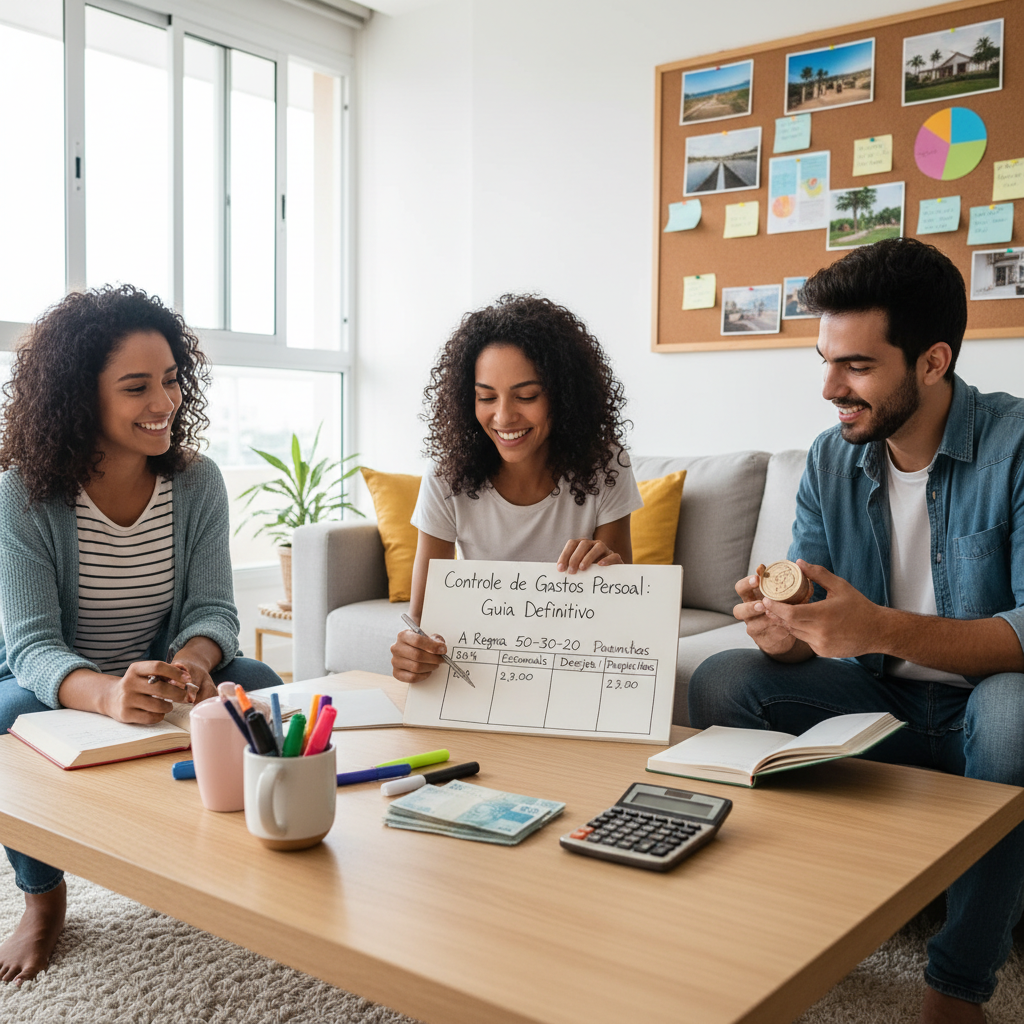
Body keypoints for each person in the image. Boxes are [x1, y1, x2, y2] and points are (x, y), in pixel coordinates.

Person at [688, 238, 1024, 1024]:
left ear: (933, 361)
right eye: (825, 360)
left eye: (858, 366)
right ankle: (809, 920)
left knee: (1015, 715)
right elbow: (812, 611)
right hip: (883, 707)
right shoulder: (831, 459)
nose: (831, 387)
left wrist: (877, 626)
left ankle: (956, 985)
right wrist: (786, 632)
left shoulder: (1015, 447)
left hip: (986, 705)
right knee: (723, 678)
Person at [0, 285, 282, 985]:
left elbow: (216, 610)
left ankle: (249, 858)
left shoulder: (197, 484)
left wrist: (192, 659)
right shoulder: (22, 496)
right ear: (78, 396)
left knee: (264, 689)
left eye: (171, 380)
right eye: (136, 387)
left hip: (157, 669)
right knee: (9, 724)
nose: (165, 402)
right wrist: (101, 695)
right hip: (56, 678)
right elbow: (31, 645)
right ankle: (43, 897)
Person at [391, 293, 643, 682]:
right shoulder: (446, 475)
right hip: (482, 671)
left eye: (526, 396)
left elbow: (621, 609)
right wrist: (413, 649)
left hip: (575, 664)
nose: (504, 416)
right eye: (486, 397)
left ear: (563, 395)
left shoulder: (605, 465)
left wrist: (609, 569)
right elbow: (423, 617)